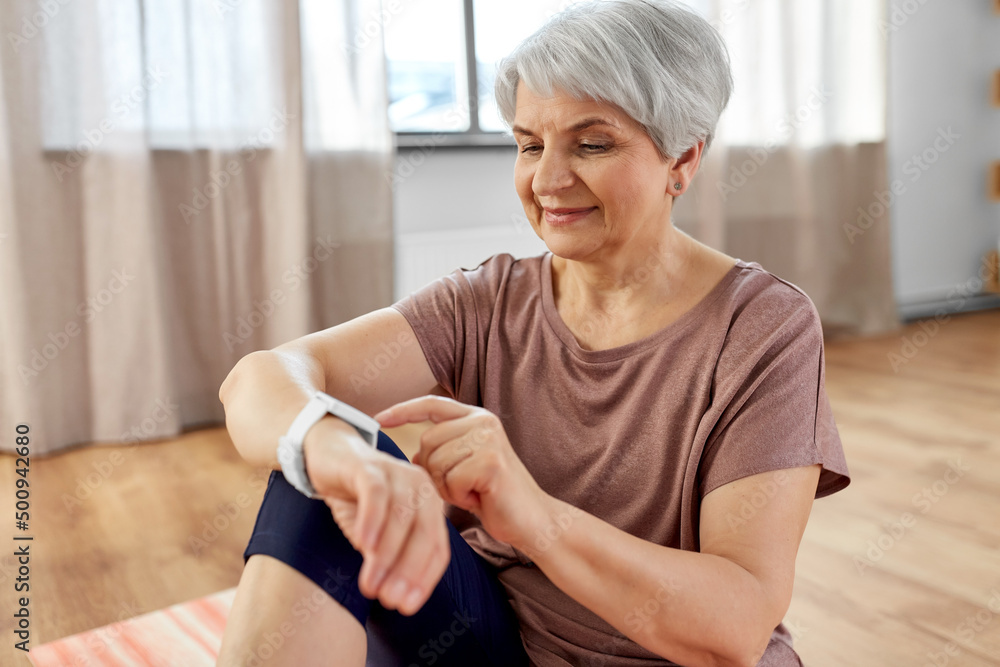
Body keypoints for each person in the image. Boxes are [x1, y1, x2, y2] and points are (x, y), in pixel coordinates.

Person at [216, 0, 850, 665]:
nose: (548, 179)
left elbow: (736, 626)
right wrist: (337, 452)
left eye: (592, 143)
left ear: (682, 159)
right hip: (495, 643)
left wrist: (534, 515)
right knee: (320, 468)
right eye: (529, 144)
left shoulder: (763, 328)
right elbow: (257, 380)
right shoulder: (488, 301)